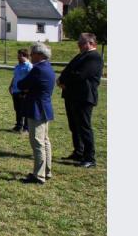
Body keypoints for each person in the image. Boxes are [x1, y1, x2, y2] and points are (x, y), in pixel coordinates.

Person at [57, 33, 104, 168]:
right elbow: (68, 70)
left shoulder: (94, 57)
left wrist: (65, 81)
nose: (79, 45)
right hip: (72, 95)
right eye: (79, 42)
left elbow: (81, 75)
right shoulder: (80, 55)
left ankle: (89, 158)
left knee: (84, 127)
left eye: (82, 43)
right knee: (74, 126)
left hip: (84, 97)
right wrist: (61, 79)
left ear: (91, 43)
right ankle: (79, 151)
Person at [17, 43, 56, 184]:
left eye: (32, 54)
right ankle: (47, 171)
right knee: (45, 141)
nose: (31, 56)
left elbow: (22, 84)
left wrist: (26, 89)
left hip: (36, 109)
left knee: (37, 142)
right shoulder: (48, 67)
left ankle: (39, 175)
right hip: (45, 107)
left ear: (39, 55)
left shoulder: (38, 69)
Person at [9, 49, 33, 133]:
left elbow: (31, 80)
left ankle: (26, 127)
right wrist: (11, 85)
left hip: (23, 91)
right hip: (15, 90)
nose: (17, 57)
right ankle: (18, 125)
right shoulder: (17, 66)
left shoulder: (29, 66)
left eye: (19, 55)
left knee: (25, 109)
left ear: (24, 56)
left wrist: (26, 91)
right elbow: (15, 76)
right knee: (17, 109)